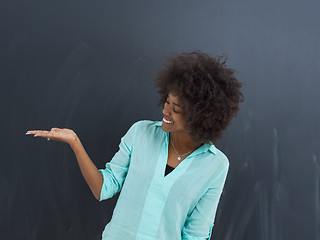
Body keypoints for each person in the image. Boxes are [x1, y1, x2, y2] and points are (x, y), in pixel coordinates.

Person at [26, 50, 244, 240]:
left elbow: (196, 234)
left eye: (176, 109)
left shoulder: (215, 165)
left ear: (201, 116)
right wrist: (75, 142)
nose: (165, 112)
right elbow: (103, 188)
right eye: (167, 102)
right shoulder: (141, 132)